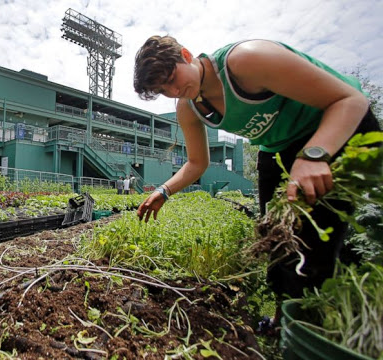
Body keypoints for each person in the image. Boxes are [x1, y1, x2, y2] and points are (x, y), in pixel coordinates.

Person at [133, 36, 380, 321]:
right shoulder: (188, 107)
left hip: (337, 125)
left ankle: (324, 321)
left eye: (173, 78)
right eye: (164, 90)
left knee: (316, 244)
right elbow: (197, 162)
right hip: (278, 146)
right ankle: (282, 318)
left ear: (186, 55)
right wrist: (163, 191)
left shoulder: (247, 61)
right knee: (275, 238)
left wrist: (313, 156)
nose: (175, 89)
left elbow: (350, 99)